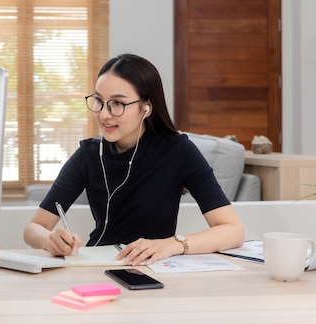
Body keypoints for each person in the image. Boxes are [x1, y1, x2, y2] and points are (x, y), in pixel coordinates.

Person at [23, 53, 244, 265]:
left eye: (117, 103)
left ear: (146, 107)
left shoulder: (178, 150)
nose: (104, 114)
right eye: (99, 101)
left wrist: (171, 245)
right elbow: (33, 228)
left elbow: (232, 230)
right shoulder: (89, 155)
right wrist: (49, 241)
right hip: (97, 267)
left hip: (155, 268)